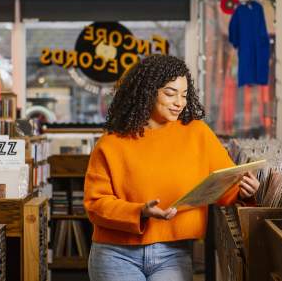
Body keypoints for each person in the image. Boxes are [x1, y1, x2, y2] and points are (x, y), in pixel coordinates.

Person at [84, 55, 260, 281]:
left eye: (184, 95)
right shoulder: (111, 143)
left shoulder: (198, 133)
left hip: (173, 253)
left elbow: (226, 187)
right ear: (147, 92)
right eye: (170, 93)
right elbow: (95, 204)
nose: (180, 102)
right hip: (115, 254)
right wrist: (140, 212)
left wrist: (246, 190)